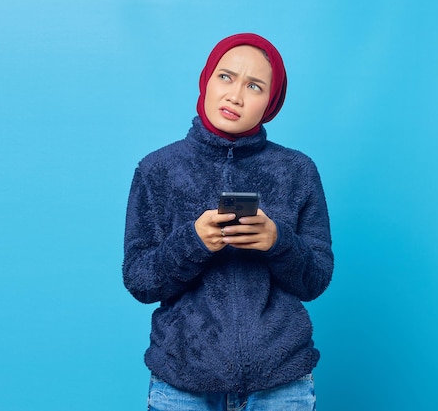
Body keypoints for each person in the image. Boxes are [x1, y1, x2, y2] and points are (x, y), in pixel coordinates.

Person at [122, 33, 333, 411]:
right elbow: (140, 281)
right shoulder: (157, 169)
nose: (235, 95)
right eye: (226, 77)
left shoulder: (297, 170)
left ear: (271, 103)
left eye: (254, 86)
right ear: (206, 80)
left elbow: (315, 279)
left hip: (281, 382)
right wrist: (192, 243)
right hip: (181, 382)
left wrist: (277, 241)